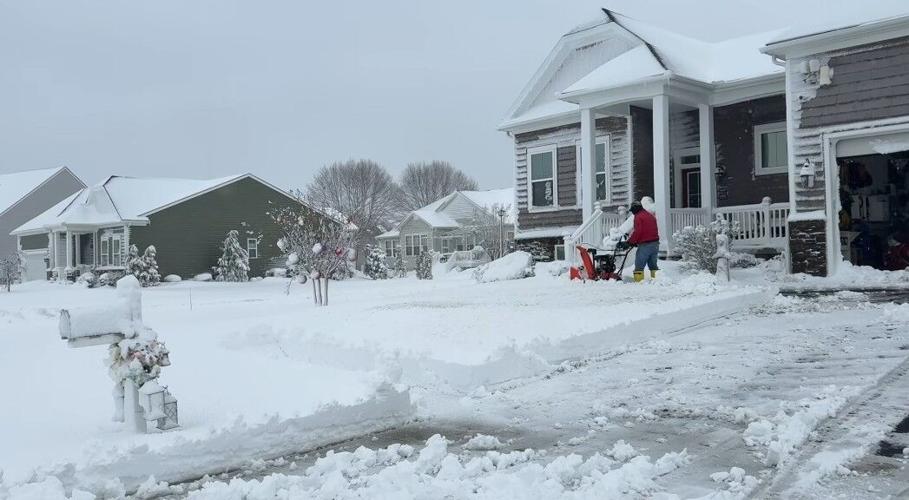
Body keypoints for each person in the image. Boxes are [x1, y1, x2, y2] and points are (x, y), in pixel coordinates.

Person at [617, 198, 660, 282]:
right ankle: (657, 281)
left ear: (635, 209)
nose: (632, 212)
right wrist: (636, 242)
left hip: (645, 245)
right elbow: (647, 231)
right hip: (655, 244)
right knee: (653, 266)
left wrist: (629, 242)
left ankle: (639, 283)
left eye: (632, 210)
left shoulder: (638, 216)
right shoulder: (650, 216)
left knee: (639, 265)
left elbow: (638, 231)